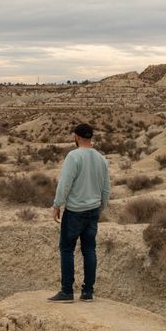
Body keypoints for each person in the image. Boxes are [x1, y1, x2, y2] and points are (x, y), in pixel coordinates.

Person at [48, 122, 110, 302]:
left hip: (75, 211)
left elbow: (64, 183)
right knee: (89, 250)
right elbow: (106, 188)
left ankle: (67, 292)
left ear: (76, 137)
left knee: (67, 249)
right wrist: (100, 207)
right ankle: (88, 292)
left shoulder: (73, 156)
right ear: (91, 137)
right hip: (93, 210)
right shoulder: (101, 159)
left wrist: (57, 205)